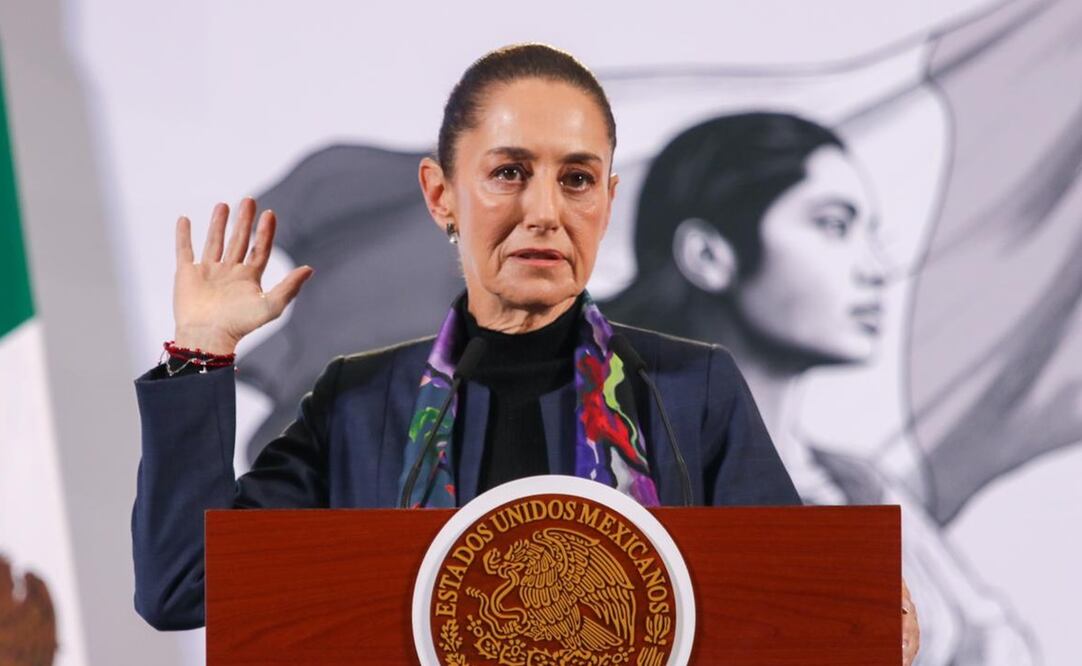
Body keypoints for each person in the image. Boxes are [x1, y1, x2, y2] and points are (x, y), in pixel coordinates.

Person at [130, 46, 918, 662]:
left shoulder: (690, 391)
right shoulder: (360, 403)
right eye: (509, 172)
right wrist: (202, 353)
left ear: (607, 201)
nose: (545, 211)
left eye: (576, 179)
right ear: (442, 195)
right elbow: (182, 587)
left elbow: (792, 618)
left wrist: (864, 625)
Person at [606, 111, 1040, 665]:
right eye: (834, 226)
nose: (877, 268)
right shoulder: (611, 481)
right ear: (708, 255)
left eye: (871, 234)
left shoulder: (859, 487)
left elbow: (994, 647)